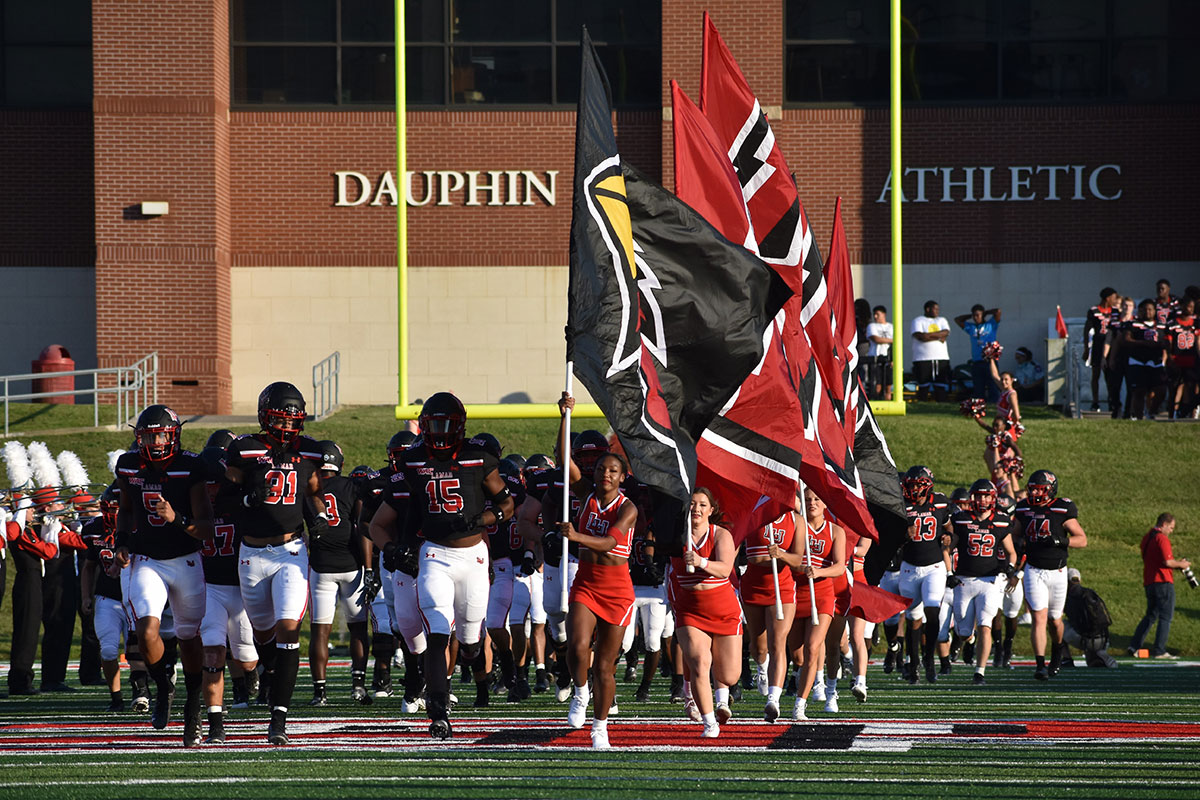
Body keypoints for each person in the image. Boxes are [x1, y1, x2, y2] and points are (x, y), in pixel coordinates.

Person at [370, 391, 513, 739]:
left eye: (446, 424)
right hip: (434, 554)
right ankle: (437, 710)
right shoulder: (414, 460)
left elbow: (507, 503)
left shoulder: (478, 458)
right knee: (437, 633)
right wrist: (397, 547)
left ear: (460, 425)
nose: (439, 431)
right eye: (433, 424)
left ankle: (474, 664)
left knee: (469, 640)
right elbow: (394, 516)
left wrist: (490, 515)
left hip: (474, 556)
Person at [224, 382, 327, 745]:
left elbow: (313, 491)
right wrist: (248, 500)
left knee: (288, 628)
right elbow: (224, 498)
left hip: (290, 550)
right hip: (251, 554)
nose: (286, 427)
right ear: (265, 417)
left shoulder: (310, 451)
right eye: (280, 419)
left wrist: (318, 518)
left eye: (291, 420)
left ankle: (279, 717)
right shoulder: (245, 449)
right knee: (263, 633)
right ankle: (270, 672)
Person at [113, 405, 214, 746]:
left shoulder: (191, 467)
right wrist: (122, 543)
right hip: (148, 560)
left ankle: (193, 708)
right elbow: (126, 511)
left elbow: (206, 528)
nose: (154, 442)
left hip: (186, 559)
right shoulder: (129, 466)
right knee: (145, 629)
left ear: (173, 435)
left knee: (189, 637)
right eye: (147, 435)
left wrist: (177, 518)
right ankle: (162, 685)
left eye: (160, 435)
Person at [559, 451, 638, 749]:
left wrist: (576, 537)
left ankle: (600, 727)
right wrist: (564, 414)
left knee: (604, 667)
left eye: (613, 471)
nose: (606, 474)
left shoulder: (628, 508)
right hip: (587, 583)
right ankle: (580, 693)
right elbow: (564, 461)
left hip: (617, 591)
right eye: (602, 469)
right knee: (578, 646)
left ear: (622, 476)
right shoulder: (585, 496)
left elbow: (609, 544)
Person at [195, 432, 259, 743]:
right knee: (213, 654)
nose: (211, 490)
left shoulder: (240, 503)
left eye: (215, 483)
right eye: (205, 484)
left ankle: (251, 674)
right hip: (209, 588)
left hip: (241, 587)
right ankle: (216, 722)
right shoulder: (192, 507)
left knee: (246, 657)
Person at [671, 487, 743, 736]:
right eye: (692, 504)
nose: (696, 509)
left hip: (723, 608)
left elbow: (724, 569)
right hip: (690, 608)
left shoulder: (721, 534)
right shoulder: (676, 533)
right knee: (701, 663)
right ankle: (709, 721)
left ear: (711, 510)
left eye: (702, 505)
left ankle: (720, 697)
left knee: (730, 675)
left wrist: (700, 561)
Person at [307, 440, 373, 707]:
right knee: (358, 628)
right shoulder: (351, 486)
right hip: (351, 565)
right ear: (339, 464)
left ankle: (319, 692)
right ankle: (358, 685)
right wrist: (369, 568)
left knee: (319, 632)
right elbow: (361, 527)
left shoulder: (308, 488)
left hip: (321, 565)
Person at [770, 488, 844, 721]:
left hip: (821, 595)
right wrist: (783, 556)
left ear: (824, 505)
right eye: (808, 499)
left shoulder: (835, 531)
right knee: (798, 656)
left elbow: (840, 566)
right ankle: (801, 684)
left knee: (814, 647)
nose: (812, 502)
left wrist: (819, 571)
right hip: (794, 593)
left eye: (817, 499)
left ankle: (800, 705)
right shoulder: (795, 525)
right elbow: (792, 559)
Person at [1012, 469, 1088, 681]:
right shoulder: (1024, 507)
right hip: (1034, 570)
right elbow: (1015, 534)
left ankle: (1057, 652)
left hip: (1058, 572)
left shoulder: (1061, 508)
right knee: (1039, 617)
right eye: (1033, 489)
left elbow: (1082, 539)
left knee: (1055, 621)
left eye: (1041, 490)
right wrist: (1017, 549)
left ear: (1051, 490)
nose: (1036, 494)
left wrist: (1060, 541)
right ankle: (1039, 665)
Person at [947, 480, 1018, 685]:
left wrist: (1011, 568)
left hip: (989, 581)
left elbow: (1011, 552)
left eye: (986, 496)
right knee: (964, 630)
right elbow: (948, 548)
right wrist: (947, 570)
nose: (982, 500)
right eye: (978, 495)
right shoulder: (961, 519)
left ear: (993, 498)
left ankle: (980, 672)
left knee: (986, 625)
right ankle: (968, 641)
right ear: (972, 498)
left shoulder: (1001, 521)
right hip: (963, 581)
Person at [741, 497, 797, 721]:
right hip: (753, 586)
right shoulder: (751, 510)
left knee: (777, 643)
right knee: (758, 646)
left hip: (781, 587)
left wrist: (782, 554)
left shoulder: (795, 519)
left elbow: (800, 559)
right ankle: (762, 669)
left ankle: (774, 700)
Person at [898, 466, 954, 684]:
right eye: (910, 485)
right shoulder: (901, 504)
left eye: (917, 485)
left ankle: (929, 659)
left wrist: (949, 538)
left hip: (934, 567)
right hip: (909, 567)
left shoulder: (940, 502)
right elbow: (889, 535)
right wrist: (903, 533)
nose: (913, 489)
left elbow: (950, 529)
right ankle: (913, 665)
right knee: (913, 618)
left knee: (932, 611)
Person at [1129, 513, 1190, 659]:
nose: (1171, 531)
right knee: (1165, 617)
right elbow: (1168, 562)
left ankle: (1134, 645)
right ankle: (1160, 650)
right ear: (1164, 524)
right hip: (1163, 581)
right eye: (1171, 527)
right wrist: (1182, 564)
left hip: (1149, 581)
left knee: (1150, 615)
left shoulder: (1147, 537)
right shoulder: (1161, 538)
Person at [1062, 568, 1118, 668]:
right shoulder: (1090, 593)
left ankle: (1067, 659)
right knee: (1092, 664)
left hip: (1086, 639)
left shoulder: (1068, 597)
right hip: (1104, 638)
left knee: (1057, 624)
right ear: (1079, 580)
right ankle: (1099, 653)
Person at [1123, 298, 1169, 419]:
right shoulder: (1133, 324)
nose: (1147, 312)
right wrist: (1144, 344)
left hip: (1156, 362)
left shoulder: (1161, 326)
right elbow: (1127, 340)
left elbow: (1166, 342)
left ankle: (1151, 412)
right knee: (1139, 391)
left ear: (1155, 311)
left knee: (1161, 390)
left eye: (1150, 309)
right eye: (1144, 310)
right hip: (1138, 361)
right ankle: (1139, 418)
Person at [1084, 287, 1121, 413]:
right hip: (1098, 345)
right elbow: (1087, 330)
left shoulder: (1115, 311)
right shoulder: (1094, 311)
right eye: (1114, 297)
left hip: (1111, 345)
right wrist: (1086, 349)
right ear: (1108, 298)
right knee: (1096, 374)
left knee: (1110, 375)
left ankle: (1112, 400)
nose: (1115, 300)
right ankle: (1095, 401)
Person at [955, 304, 1002, 401]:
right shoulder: (971, 327)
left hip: (990, 361)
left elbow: (998, 311)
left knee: (993, 385)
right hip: (977, 361)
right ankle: (979, 407)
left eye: (978, 315)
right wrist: (970, 315)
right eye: (974, 316)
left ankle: (994, 404)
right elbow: (957, 320)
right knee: (978, 387)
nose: (976, 318)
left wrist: (986, 313)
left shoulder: (990, 325)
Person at [911, 300, 951, 401]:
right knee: (924, 385)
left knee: (940, 385)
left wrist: (928, 335)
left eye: (938, 309)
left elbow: (946, 332)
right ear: (927, 309)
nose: (937, 311)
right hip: (922, 358)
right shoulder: (918, 321)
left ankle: (941, 404)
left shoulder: (942, 320)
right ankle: (922, 404)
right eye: (935, 309)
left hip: (941, 358)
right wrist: (938, 337)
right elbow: (921, 336)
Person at [1166, 297, 1198, 419]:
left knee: (1191, 388)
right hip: (1177, 360)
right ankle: (1171, 414)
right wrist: (1170, 357)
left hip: (1192, 360)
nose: (1189, 309)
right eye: (1187, 306)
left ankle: (1190, 413)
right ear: (1182, 306)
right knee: (1174, 388)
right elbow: (1168, 343)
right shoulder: (1173, 323)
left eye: (1192, 307)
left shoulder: (1196, 323)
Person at [865, 305, 894, 401]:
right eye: (874, 315)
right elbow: (876, 339)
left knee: (888, 383)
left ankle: (888, 401)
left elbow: (896, 342)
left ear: (884, 314)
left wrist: (893, 358)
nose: (875, 316)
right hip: (875, 357)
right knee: (877, 382)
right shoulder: (872, 326)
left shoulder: (891, 327)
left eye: (878, 314)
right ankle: (877, 399)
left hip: (888, 358)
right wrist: (891, 340)